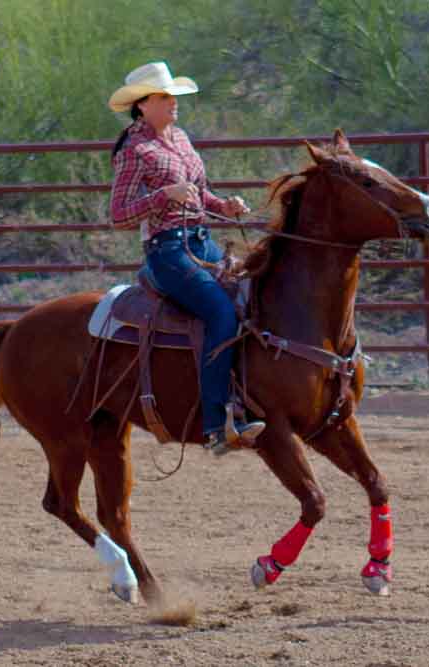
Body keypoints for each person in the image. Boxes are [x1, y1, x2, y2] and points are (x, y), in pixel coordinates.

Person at [108, 61, 265, 453]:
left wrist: (224, 206)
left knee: (251, 296)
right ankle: (215, 423)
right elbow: (119, 215)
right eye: (164, 97)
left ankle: (250, 397)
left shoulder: (180, 138)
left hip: (201, 242)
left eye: (173, 96)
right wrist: (164, 195)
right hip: (167, 251)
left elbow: (199, 193)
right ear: (142, 105)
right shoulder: (134, 150)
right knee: (220, 312)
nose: (173, 103)